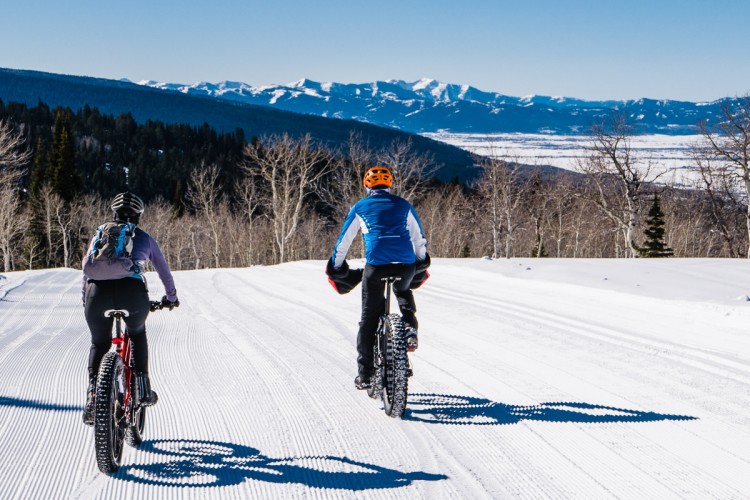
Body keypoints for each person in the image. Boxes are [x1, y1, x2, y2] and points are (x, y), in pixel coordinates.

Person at [81, 192, 179, 425]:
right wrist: (171, 298)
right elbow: (164, 272)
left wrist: (86, 301)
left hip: (97, 296)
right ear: (138, 216)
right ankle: (143, 387)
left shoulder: (100, 236)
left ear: (113, 213)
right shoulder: (144, 238)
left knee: (99, 343)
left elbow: (86, 274)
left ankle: (93, 397)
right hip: (132, 295)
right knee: (136, 333)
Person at [328, 166, 429, 390]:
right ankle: (410, 329)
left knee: (369, 318)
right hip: (405, 265)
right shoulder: (404, 205)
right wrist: (421, 260)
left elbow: (344, 241)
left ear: (367, 186)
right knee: (402, 291)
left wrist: (336, 266)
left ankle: (364, 375)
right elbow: (419, 237)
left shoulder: (360, 207)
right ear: (390, 185)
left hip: (376, 266)